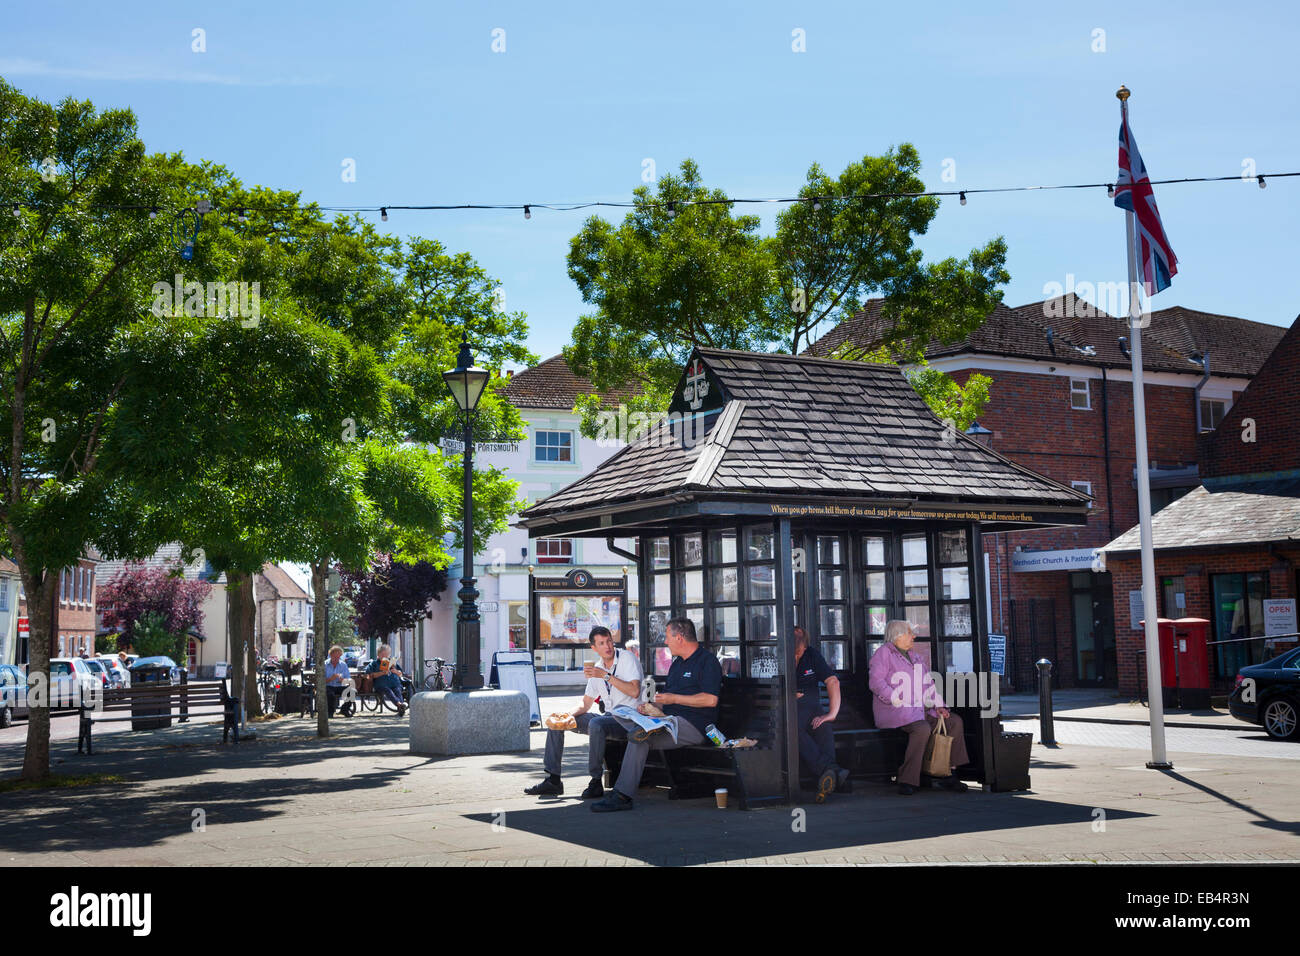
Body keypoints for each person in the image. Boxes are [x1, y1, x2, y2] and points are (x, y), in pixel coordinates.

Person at [592, 617, 722, 813]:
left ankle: (622, 795)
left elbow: (710, 700)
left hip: (694, 725)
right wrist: (649, 707)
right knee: (633, 728)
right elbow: (666, 699)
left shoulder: (707, 661)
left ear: (679, 638)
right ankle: (622, 792)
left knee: (639, 736)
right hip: (668, 720)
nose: (665, 642)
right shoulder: (677, 664)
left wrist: (674, 699)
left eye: (668, 637)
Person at [524, 626, 642, 799]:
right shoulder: (597, 667)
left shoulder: (626, 658)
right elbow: (586, 703)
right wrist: (566, 715)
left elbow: (634, 691)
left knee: (596, 724)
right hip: (608, 719)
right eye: (601, 643)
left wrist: (606, 676)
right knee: (556, 722)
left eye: (609, 641)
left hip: (628, 719)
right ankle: (553, 780)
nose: (607, 646)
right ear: (594, 648)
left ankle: (595, 781)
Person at [868, 619, 970, 795]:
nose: (913, 636)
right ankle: (908, 779)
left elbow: (928, 684)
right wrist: (895, 698)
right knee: (922, 728)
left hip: (918, 711)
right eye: (909, 633)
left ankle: (949, 774)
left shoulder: (915, 656)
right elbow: (876, 682)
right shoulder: (883, 653)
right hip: (896, 711)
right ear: (897, 636)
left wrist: (939, 706)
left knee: (954, 721)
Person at [792, 626, 851, 802]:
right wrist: (788, 694)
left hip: (811, 708)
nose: (799, 654)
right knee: (794, 729)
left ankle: (828, 776)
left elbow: (832, 681)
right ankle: (832, 772)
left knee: (823, 726)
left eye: (801, 649)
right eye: (795, 650)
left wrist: (831, 714)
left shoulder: (812, 655)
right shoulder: (777, 656)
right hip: (790, 710)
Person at [365, 643, 406, 717]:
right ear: (378, 654)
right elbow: (369, 675)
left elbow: (401, 673)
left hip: (394, 683)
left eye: (387, 654)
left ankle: (400, 707)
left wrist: (396, 672)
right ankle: (400, 704)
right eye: (383, 655)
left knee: (397, 690)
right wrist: (382, 673)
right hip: (381, 685)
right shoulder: (374, 663)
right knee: (388, 690)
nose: (385, 656)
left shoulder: (392, 662)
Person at [324, 645, 355, 718]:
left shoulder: (343, 665)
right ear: (331, 655)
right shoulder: (325, 664)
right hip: (329, 686)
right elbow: (320, 681)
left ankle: (344, 709)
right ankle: (330, 712)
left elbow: (348, 679)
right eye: (335, 657)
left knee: (352, 691)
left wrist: (343, 680)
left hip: (340, 686)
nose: (337, 659)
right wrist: (331, 678)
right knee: (330, 694)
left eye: (339, 657)